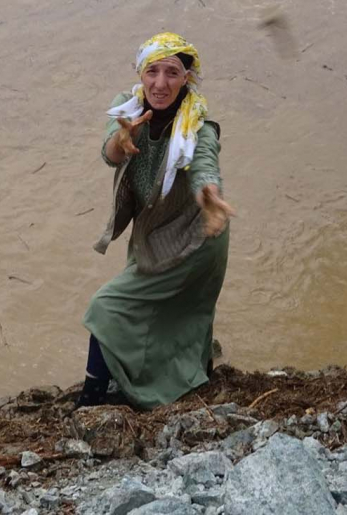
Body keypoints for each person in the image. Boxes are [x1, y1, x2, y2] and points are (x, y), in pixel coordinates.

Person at [77, 32, 235, 409]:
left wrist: (209, 195)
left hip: (197, 237)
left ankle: (90, 404)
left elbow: (204, 165)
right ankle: (190, 379)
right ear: (140, 73)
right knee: (165, 312)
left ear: (187, 79)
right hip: (152, 229)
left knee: (107, 306)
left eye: (172, 73)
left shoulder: (198, 125)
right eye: (152, 72)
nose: (160, 84)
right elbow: (109, 154)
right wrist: (122, 140)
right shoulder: (125, 110)